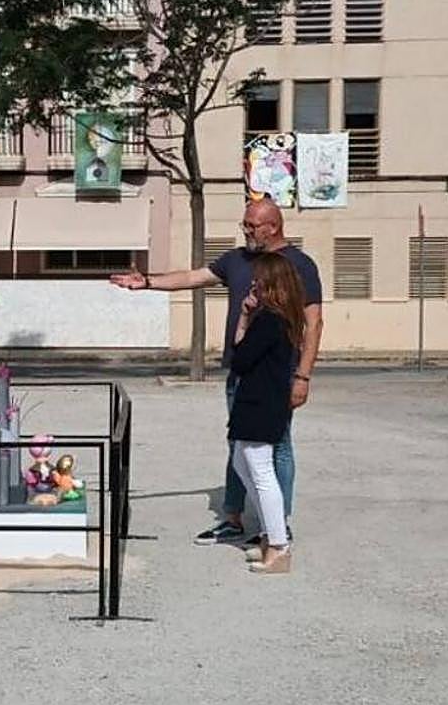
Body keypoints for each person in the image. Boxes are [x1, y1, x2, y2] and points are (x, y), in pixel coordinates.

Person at [110, 198, 324, 546]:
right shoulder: (236, 259)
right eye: (244, 224)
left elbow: (314, 324)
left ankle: (277, 525)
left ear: (273, 226)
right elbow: (192, 277)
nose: (246, 231)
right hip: (241, 371)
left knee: (279, 446)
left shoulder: (300, 265)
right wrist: (146, 282)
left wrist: (302, 377)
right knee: (237, 445)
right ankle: (233, 519)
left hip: (278, 375)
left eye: (252, 225)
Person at [229, 252, 307, 574]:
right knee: (242, 463)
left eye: (258, 280)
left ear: (271, 284)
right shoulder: (279, 318)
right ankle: (268, 535)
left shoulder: (270, 321)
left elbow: (239, 359)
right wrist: (245, 314)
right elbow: (241, 356)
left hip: (260, 405)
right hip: (260, 402)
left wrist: (244, 319)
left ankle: (278, 546)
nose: (253, 285)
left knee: (261, 473)